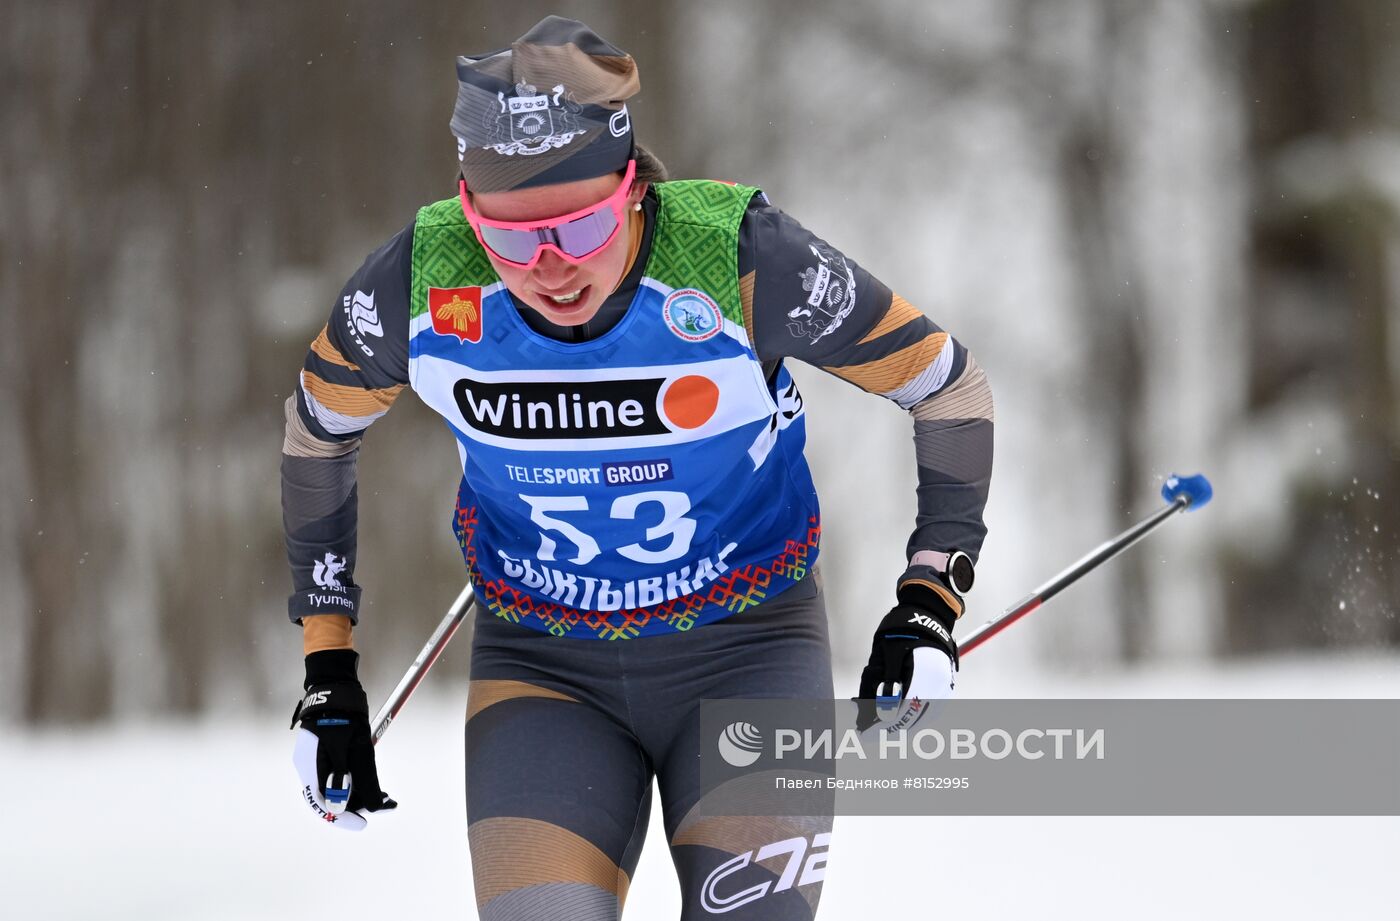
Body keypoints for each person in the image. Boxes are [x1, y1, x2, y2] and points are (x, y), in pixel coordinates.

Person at [281, 15, 993, 920]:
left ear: (630, 188)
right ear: (469, 214)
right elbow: (316, 437)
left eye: (578, 231)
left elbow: (949, 386)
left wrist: (930, 598)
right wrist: (327, 672)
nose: (548, 268)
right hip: (544, 669)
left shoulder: (736, 259)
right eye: (508, 239)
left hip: (747, 650)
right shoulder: (419, 282)